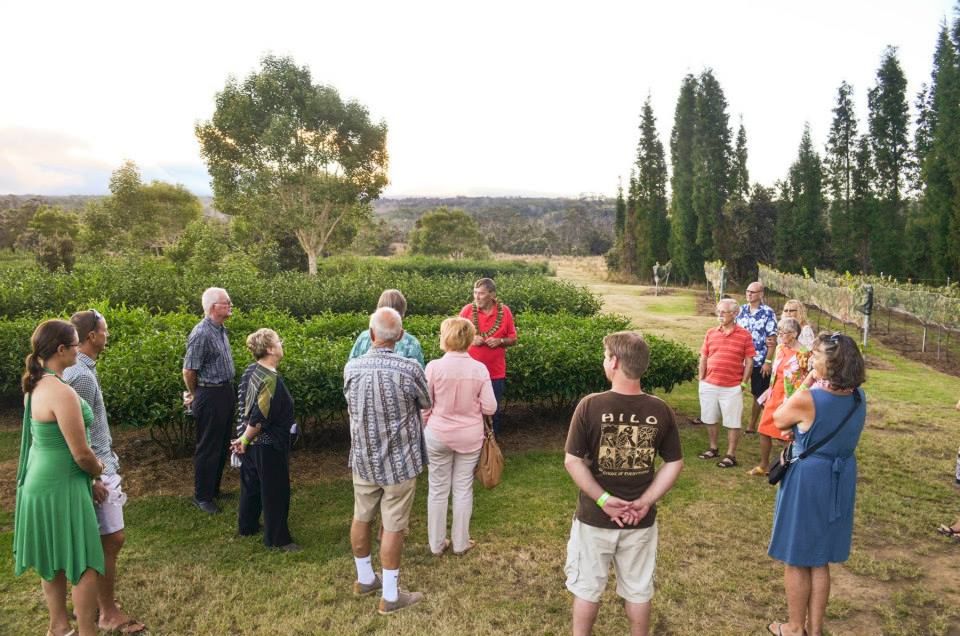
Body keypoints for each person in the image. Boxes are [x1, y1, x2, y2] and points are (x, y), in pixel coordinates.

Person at [563, 331, 683, 636]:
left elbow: (573, 460)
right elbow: (674, 462)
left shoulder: (589, 405)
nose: (605, 361)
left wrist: (603, 500)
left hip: (594, 518)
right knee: (639, 590)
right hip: (640, 522)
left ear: (614, 362)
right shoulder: (660, 410)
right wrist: (644, 502)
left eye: (606, 356)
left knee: (588, 588)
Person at [767, 333, 867, 636]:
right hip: (840, 476)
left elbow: (778, 418)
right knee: (820, 557)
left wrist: (807, 379)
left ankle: (795, 627)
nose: (811, 358)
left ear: (832, 364)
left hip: (809, 478)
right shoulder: (858, 397)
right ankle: (815, 628)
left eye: (817, 355)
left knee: (797, 556)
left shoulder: (809, 397)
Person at [14, 319, 106, 636]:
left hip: (38, 483)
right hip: (61, 484)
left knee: (52, 558)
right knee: (84, 562)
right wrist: (99, 472)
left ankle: (58, 628)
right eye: (76, 344)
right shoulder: (62, 392)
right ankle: (86, 633)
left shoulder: (34, 385)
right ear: (62, 349)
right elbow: (81, 454)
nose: (80, 349)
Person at [344, 307, 432, 615]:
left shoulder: (351, 368)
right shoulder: (409, 369)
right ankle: (391, 597)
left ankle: (366, 578)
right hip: (399, 461)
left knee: (362, 516)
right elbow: (426, 402)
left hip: (364, 457)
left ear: (371, 334)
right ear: (401, 336)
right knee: (393, 526)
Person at [64, 310, 145, 634]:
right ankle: (107, 612)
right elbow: (76, 433)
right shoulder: (80, 375)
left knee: (103, 539)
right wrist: (95, 476)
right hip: (96, 467)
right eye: (105, 330)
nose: (108, 334)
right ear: (92, 336)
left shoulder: (79, 369)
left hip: (99, 463)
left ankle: (93, 603)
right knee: (111, 538)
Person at [423, 317, 497, 557]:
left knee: (437, 488)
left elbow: (425, 406)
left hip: (437, 434)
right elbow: (490, 407)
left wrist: (427, 426)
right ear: (469, 339)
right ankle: (460, 543)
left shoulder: (434, 367)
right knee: (463, 488)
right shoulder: (479, 369)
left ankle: (436, 544)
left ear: (445, 337)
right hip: (469, 436)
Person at [231, 328, 299, 551]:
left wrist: (242, 438)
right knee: (275, 491)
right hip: (266, 444)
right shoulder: (270, 379)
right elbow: (260, 417)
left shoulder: (251, 370)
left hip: (250, 443)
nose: (282, 344)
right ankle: (277, 539)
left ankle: (247, 525)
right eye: (279, 341)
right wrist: (246, 439)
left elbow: (243, 405)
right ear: (270, 349)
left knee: (251, 485)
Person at [182, 287, 236, 514]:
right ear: (214, 307)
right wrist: (196, 395)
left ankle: (214, 489)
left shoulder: (220, 329)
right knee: (208, 447)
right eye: (227, 302)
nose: (231, 304)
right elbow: (188, 370)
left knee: (222, 444)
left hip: (225, 392)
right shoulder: (201, 333)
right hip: (210, 394)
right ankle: (202, 496)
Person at [697, 298, 756, 468]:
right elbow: (704, 356)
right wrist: (701, 378)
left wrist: (743, 384)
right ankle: (713, 448)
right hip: (709, 383)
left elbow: (749, 362)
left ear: (735, 314)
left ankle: (731, 455)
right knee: (709, 418)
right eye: (718, 312)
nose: (720, 315)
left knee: (733, 422)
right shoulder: (711, 333)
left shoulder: (744, 335)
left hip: (732, 386)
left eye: (724, 312)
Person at [748, 318, 810, 477]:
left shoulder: (803, 354)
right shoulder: (781, 348)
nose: (780, 336)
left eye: (784, 333)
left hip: (790, 398)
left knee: (788, 435)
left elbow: (806, 379)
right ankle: (764, 465)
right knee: (763, 429)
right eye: (779, 332)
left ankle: (787, 467)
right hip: (774, 393)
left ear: (795, 334)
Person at [459, 278, 517, 437]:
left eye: (481, 293)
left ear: (492, 295)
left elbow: (513, 338)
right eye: (475, 293)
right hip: (468, 372)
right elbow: (454, 336)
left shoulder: (504, 311)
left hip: (495, 373)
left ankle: (491, 447)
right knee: (469, 409)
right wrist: (471, 339)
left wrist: (500, 341)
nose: (476, 297)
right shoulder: (467, 311)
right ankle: (470, 443)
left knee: (493, 411)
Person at [737, 282, 777, 434]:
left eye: (753, 292)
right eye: (747, 291)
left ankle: (752, 425)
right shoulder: (740, 310)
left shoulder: (768, 313)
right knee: (735, 389)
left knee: (758, 394)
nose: (749, 294)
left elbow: (772, 339)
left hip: (759, 360)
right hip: (739, 359)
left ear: (761, 294)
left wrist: (767, 361)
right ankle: (734, 420)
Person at [349, 288, 425, 367]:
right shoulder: (411, 343)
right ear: (402, 314)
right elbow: (419, 374)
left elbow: (350, 366)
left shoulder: (363, 337)